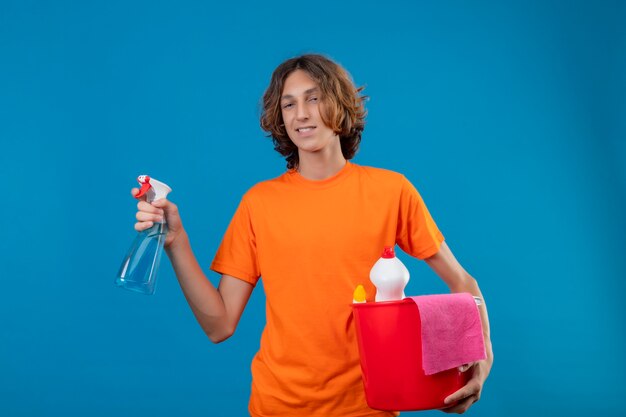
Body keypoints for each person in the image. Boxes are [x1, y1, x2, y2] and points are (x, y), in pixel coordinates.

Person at [132, 54, 493, 416]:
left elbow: (463, 282)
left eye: (314, 98)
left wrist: (482, 359)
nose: (301, 113)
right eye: (289, 104)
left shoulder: (392, 191)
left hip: (370, 407)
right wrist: (176, 242)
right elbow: (219, 324)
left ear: (341, 105)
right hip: (277, 406)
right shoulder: (259, 203)